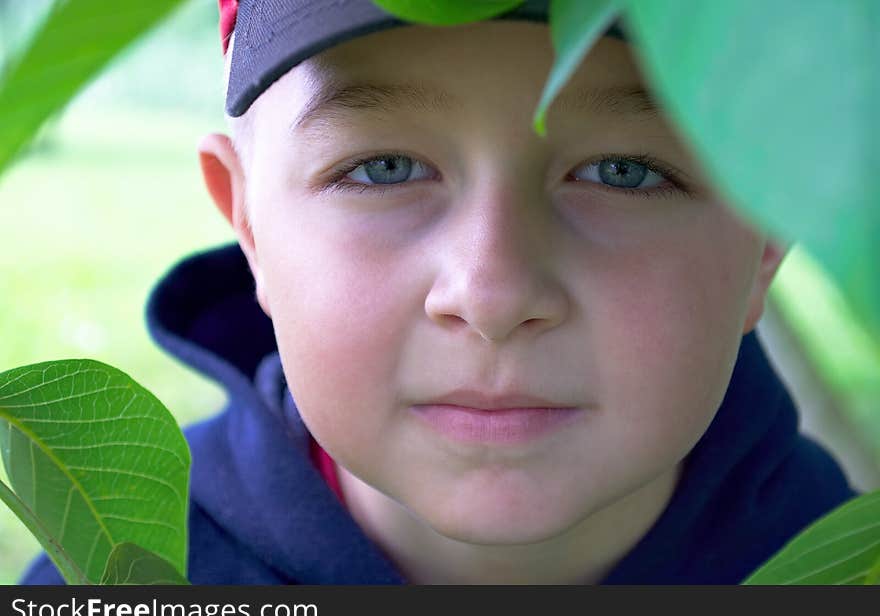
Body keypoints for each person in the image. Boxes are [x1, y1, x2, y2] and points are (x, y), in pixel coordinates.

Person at [19, 0, 857, 585]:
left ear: (766, 235)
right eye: (382, 168)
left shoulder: (846, 574)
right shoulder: (118, 583)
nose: (492, 293)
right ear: (249, 228)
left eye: (623, 172)